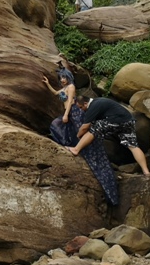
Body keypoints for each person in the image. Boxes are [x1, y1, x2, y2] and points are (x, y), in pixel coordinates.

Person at [42, 70, 119, 205]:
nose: (63, 80)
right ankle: (72, 144)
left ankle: (78, 148)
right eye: (61, 78)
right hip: (71, 114)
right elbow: (56, 93)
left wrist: (66, 115)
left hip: (74, 112)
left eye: (65, 77)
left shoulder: (71, 87)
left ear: (69, 78)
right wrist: (48, 84)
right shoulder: (65, 88)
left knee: (61, 126)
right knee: (58, 126)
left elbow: (70, 101)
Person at [71, 96, 150, 177]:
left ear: (85, 103)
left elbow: (85, 127)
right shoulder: (99, 101)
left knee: (95, 128)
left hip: (117, 120)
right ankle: (146, 172)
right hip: (128, 121)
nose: (81, 109)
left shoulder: (94, 105)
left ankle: (76, 149)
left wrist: (77, 136)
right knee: (133, 146)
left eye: (81, 107)